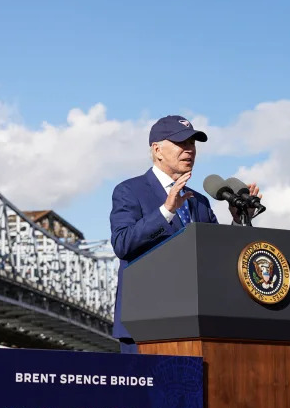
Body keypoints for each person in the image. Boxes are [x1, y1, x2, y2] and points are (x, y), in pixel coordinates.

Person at [109, 115, 261, 353]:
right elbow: (122, 244)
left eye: (192, 143)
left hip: (195, 328)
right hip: (144, 327)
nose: (189, 150)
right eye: (181, 143)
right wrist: (166, 211)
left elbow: (219, 256)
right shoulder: (129, 191)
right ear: (157, 150)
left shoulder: (199, 201)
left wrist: (239, 218)